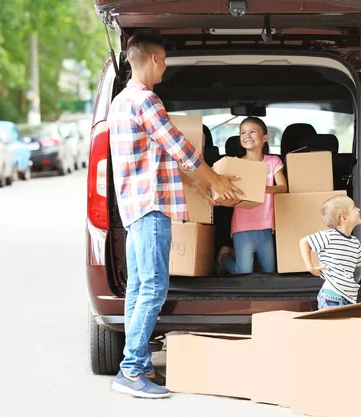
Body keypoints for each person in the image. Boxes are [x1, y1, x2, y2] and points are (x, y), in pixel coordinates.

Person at [107, 31, 242, 399]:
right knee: (153, 287)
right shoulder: (147, 101)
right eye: (164, 60)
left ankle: (140, 364)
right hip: (152, 207)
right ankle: (132, 370)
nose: (165, 67)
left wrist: (198, 186)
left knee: (138, 287)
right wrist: (213, 179)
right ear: (152, 59)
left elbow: (160, 155)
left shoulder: (120, 103)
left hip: (134, 207)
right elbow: (179, 146)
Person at [216, 117, 288, 274]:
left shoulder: (273, 162)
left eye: (252, 132)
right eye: (243, 132)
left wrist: (263, 188)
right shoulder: (236, 164)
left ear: (265, 138)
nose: (247, 136)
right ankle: (224, 257)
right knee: (243, 272)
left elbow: (283, 188)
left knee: (270, 270)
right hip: (242, 226)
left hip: (266, 225)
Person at [299, 195, 361, 309]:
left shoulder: (354, 242)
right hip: (332, 297)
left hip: (349, 299)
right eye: (354, 207)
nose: (359, 209)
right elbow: (304, 242)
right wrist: (310, 267)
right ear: (344, 218)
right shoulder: (329, 236)